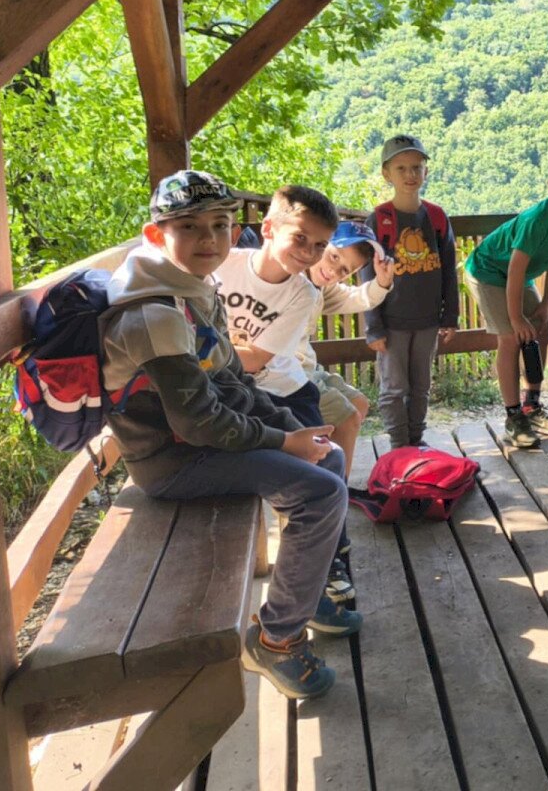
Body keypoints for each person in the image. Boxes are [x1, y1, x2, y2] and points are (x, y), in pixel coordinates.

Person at [99, 170, 358, 701]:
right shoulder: (154, 314)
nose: (209, 239)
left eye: (219, 225)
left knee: (328, 457)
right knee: (321, 492)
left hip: (202, 444)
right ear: (156, 235)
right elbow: (197, 421)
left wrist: (289, 427)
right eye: (189, 227)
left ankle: (303, 594)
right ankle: (277, 640)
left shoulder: (193, 291)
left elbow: (232, 379)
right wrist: (283, 443)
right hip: (172, 462)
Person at [465, 153, 548, 449]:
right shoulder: (537, 220)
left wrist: (545, 305)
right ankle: (513, 417)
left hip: (518, 276)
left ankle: (531, 406)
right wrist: (516, 318)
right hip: (488, 270)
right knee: (511, 337)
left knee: (543, 328)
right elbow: (515, 269)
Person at [217, 185, 340, 428]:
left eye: (320, 245)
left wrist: (196, 351)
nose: (308, 252)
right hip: (230, 383)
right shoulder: (223, 264)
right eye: (300, 237)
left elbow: (255, 359)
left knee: (316, 447)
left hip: (283, 391)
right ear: (268, 228)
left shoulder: (303, 294)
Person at [365, 134, 459, 449]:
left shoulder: (436, 217)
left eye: (416, 167)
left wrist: (450, 316)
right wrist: (373, 326)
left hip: (428, 320)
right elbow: (368, 276)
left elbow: (448, 269)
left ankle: (416, 442)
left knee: (421, 387)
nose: (410, 175)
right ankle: (398, 446)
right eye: (401, 168)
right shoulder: (379, 219)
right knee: (394, 388)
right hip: (391, 321)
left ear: (426, 172)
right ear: (386, 174)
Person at [297, 220, 394, 479]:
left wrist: (381, 282)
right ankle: (338, 489)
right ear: (322, 244)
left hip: (307, 368)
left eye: (344, 270)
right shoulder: (293, 280)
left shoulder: (320, 287)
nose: (333, 270)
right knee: (347, 418)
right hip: (288, 372)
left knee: (359, 403)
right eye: (333, 256)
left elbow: (354, 298)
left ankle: (325, 472)